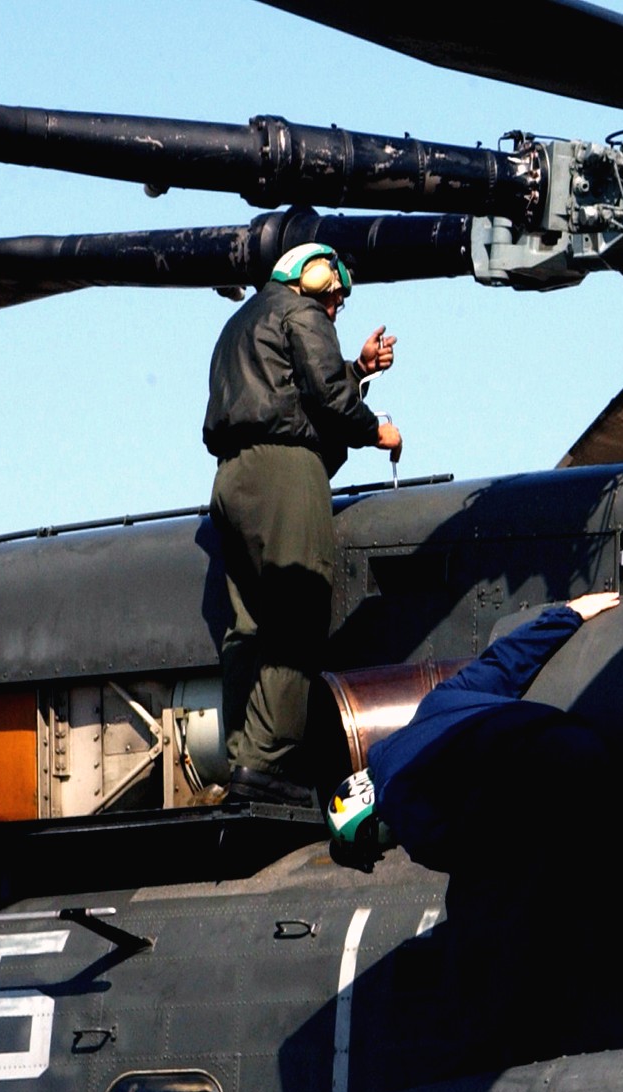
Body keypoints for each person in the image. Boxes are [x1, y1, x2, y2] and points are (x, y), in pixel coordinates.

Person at [203, 242, 404, 805]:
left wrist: (361, 368)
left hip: (231, 478)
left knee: (247, 626)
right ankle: (274, 763)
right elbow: (328, 401)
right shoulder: (302, 312)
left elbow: (288, 389)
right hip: (285, 472)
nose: (335, 311)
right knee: (298, 615)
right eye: (335, 298)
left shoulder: (240, 323)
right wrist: (377, 430)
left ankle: (245, 759)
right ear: (314, 278)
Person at [327, 591, 622, 872]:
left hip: (571, 776)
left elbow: (473, 855)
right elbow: (503, 662)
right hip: (567, 731)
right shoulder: (434, 704)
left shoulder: (401, 804)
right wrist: (569, 614)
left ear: (369, 826)